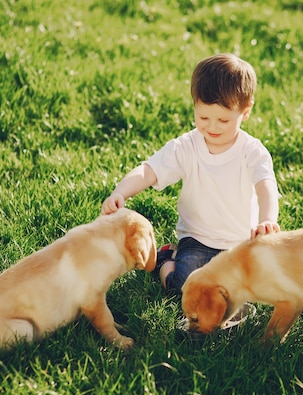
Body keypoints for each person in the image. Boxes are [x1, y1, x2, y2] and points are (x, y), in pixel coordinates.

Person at [101, 53, 280, 298]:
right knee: (185, 288)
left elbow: (265, 186)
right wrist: (120, 192)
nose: (212, 127)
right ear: (194, 104)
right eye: (203, 117)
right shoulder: (187, 146)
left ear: (246, 111)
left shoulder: (252, 152)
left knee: (248, 289)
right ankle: (165, 260)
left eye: (224, 120)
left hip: (240, 243)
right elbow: (149, 170)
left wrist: (267, 220)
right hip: (197, 239)